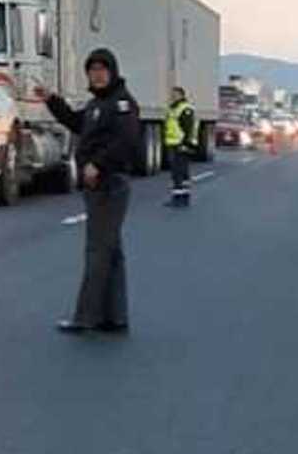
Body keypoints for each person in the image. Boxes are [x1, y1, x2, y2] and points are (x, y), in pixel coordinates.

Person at [35, 48, 141, 335]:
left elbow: (126, 141)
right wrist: (51, 100)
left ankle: (86, 317)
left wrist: (98, 164)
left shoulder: (122, 104)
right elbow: (75, 121)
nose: (97, 74)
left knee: (97, 251)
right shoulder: (97, 104)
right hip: (97, 186)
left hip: (110, 184)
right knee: (112, 252)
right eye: (92, 70)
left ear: (113, 72)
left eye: (102, 69)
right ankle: (115, 317)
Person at [163, 86, 197, 208]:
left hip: (180, 145)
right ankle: (182, 197)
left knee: (179, 173)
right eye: (172, 94)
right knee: (179, 173)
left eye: (175, 94)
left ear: (181, 95)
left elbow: (189, 129)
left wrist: (185, 145)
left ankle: (179, 199)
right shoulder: (173, 108)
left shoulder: (185, 109)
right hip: (173, 144)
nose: (173, 96)